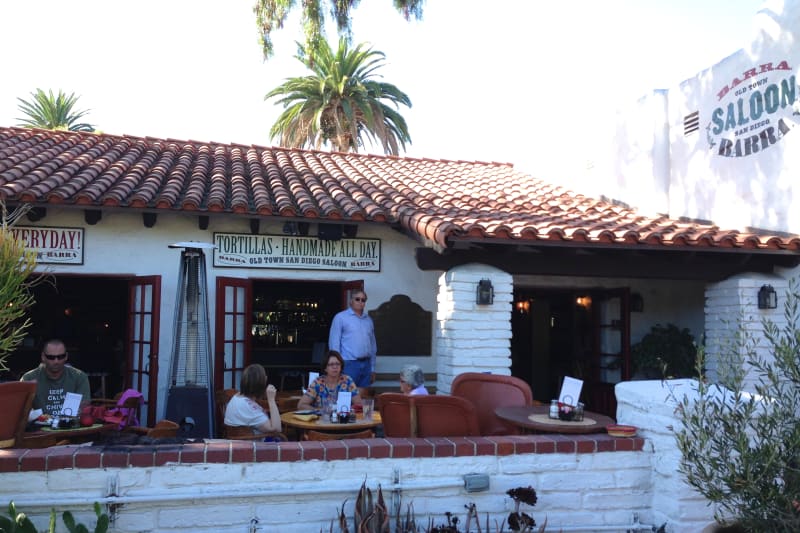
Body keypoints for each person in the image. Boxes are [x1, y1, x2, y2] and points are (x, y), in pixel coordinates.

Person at [20, 338, 91, 416]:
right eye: (51, 357)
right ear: (43, 357)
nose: (56, 361)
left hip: (70, 424)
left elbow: (84, 407)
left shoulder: (79, 377)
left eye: (60, 357)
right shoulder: (28, 378)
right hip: (39, 425)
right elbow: (21, 409)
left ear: (66, 356)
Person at [328, 289, 377, 396]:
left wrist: (372, 368)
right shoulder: (341, 317)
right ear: (351, 301)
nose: (360, 302)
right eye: (357, 299)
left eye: (363, 300)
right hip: (348, 364)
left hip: (366, 365)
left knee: (363, 397)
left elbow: (373, 345)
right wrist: (337, 365)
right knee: (346, 396)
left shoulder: (368, 320)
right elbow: (334, 343)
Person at [223, 364, 282, 436]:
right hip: (255, 445)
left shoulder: (237, 397)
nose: (266, 378)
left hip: (242, 442)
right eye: (264, 378)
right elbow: (277, 429)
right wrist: (271, 399)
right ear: (259, 385)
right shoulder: (248, 407)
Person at [297, 350, 361, 410]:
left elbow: (358, 404)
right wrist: (318, 412)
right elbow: (301, 405)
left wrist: (347, 410)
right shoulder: (318, 382)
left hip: (343, 419)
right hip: (321, 419)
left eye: (338, 364)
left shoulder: (347, 381)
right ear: (325, 368)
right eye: (331, 364)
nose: (335, 367)